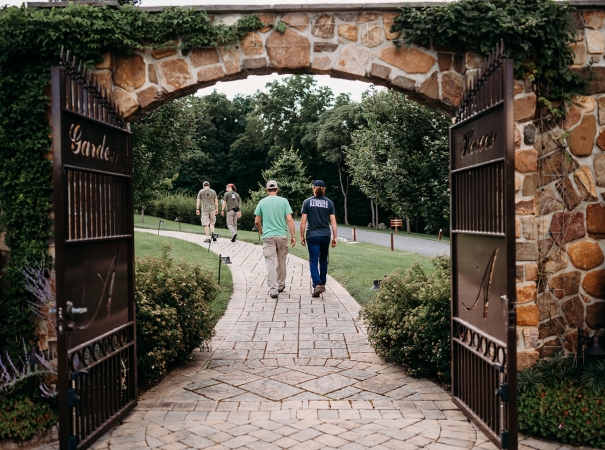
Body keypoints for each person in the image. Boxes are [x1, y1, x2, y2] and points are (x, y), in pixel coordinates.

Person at [254, 180, 296, 299]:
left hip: (268, 236)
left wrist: (261, 231)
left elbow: (257, 221)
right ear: (277, 190)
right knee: (282, 261)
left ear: (267, 190)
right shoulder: (284, 201)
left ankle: (273, 290)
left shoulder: (262, 202)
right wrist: (293, 236)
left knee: (270, 262)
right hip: (282, 235)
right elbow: (289, 219)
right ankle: (281, 285)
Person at [300, 180, 337, 297]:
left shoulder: (307, 202)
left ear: (313, 188)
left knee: (313, 261)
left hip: (312, 235)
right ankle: (323, 284)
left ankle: (316, 284)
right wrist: (334, 237)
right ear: (324, 189)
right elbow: (333, 222)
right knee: (323, 260)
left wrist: (301, 236)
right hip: (325, 235)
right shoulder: (329, 203)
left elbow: (303, 222)